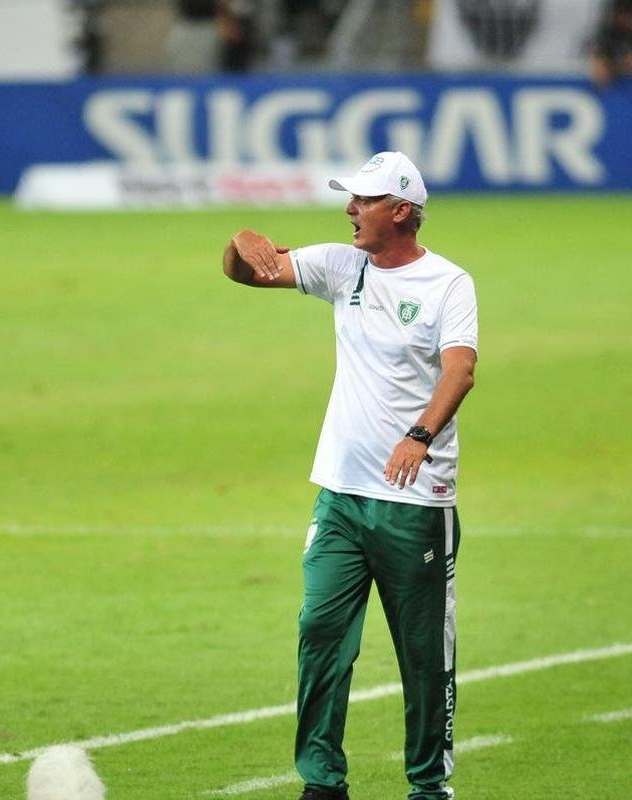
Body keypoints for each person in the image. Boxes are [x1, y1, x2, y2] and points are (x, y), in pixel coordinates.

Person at [221, 152, 478, 800]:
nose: (348, 211)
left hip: (415, 502)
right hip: (341, 495)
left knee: (423, 658)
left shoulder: (448, 284)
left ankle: (429, 786)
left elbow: (459, 370)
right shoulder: (343, 266)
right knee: (320, 634)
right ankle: (322, 783)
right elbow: (254, 274)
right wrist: (237, 248)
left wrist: (420, 436)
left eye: (361, 201)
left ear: (400, 212)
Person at [587, 0, 632, 87]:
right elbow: (597, 58)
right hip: (615, 85)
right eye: (620, 13)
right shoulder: (607, 33)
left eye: (628, 13)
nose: (624, 18)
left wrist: (616, 66)